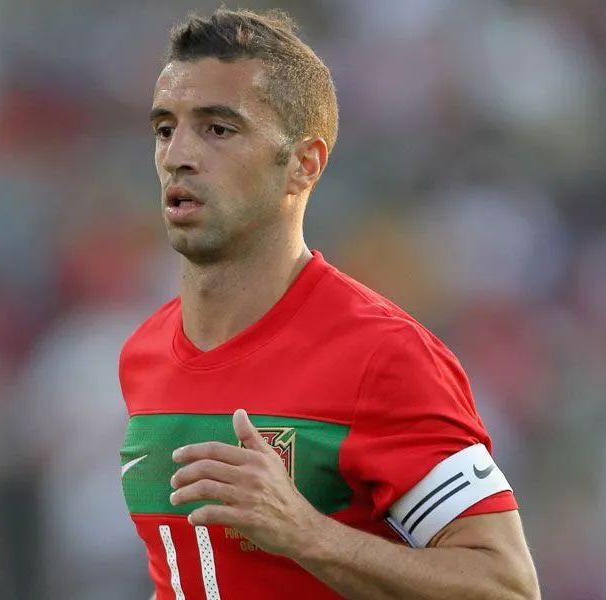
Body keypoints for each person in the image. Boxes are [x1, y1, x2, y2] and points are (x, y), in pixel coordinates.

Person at [118, 8, 540, 600]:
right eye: (166, 129)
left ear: (304, 164)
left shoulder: (383, 357)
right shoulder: (143, 355)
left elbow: (506, 586)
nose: (177, 155)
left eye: (218, 129)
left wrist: (305, 533)